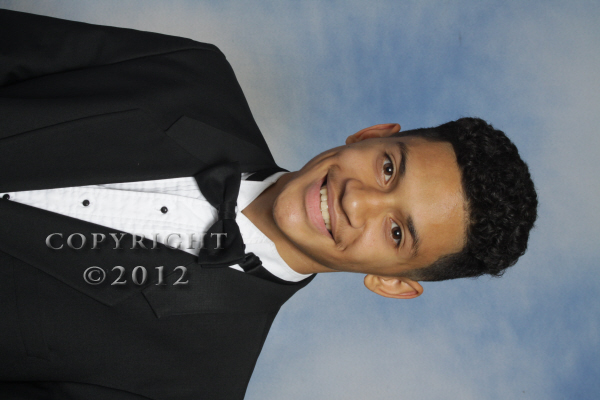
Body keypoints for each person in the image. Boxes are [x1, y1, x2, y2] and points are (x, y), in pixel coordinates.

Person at [0, 8, 538, 400]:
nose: (358, 201)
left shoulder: (192, 385)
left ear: (392, 283)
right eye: (388, 169)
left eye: (397, 232)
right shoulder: (193, 72)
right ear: (371, 134)